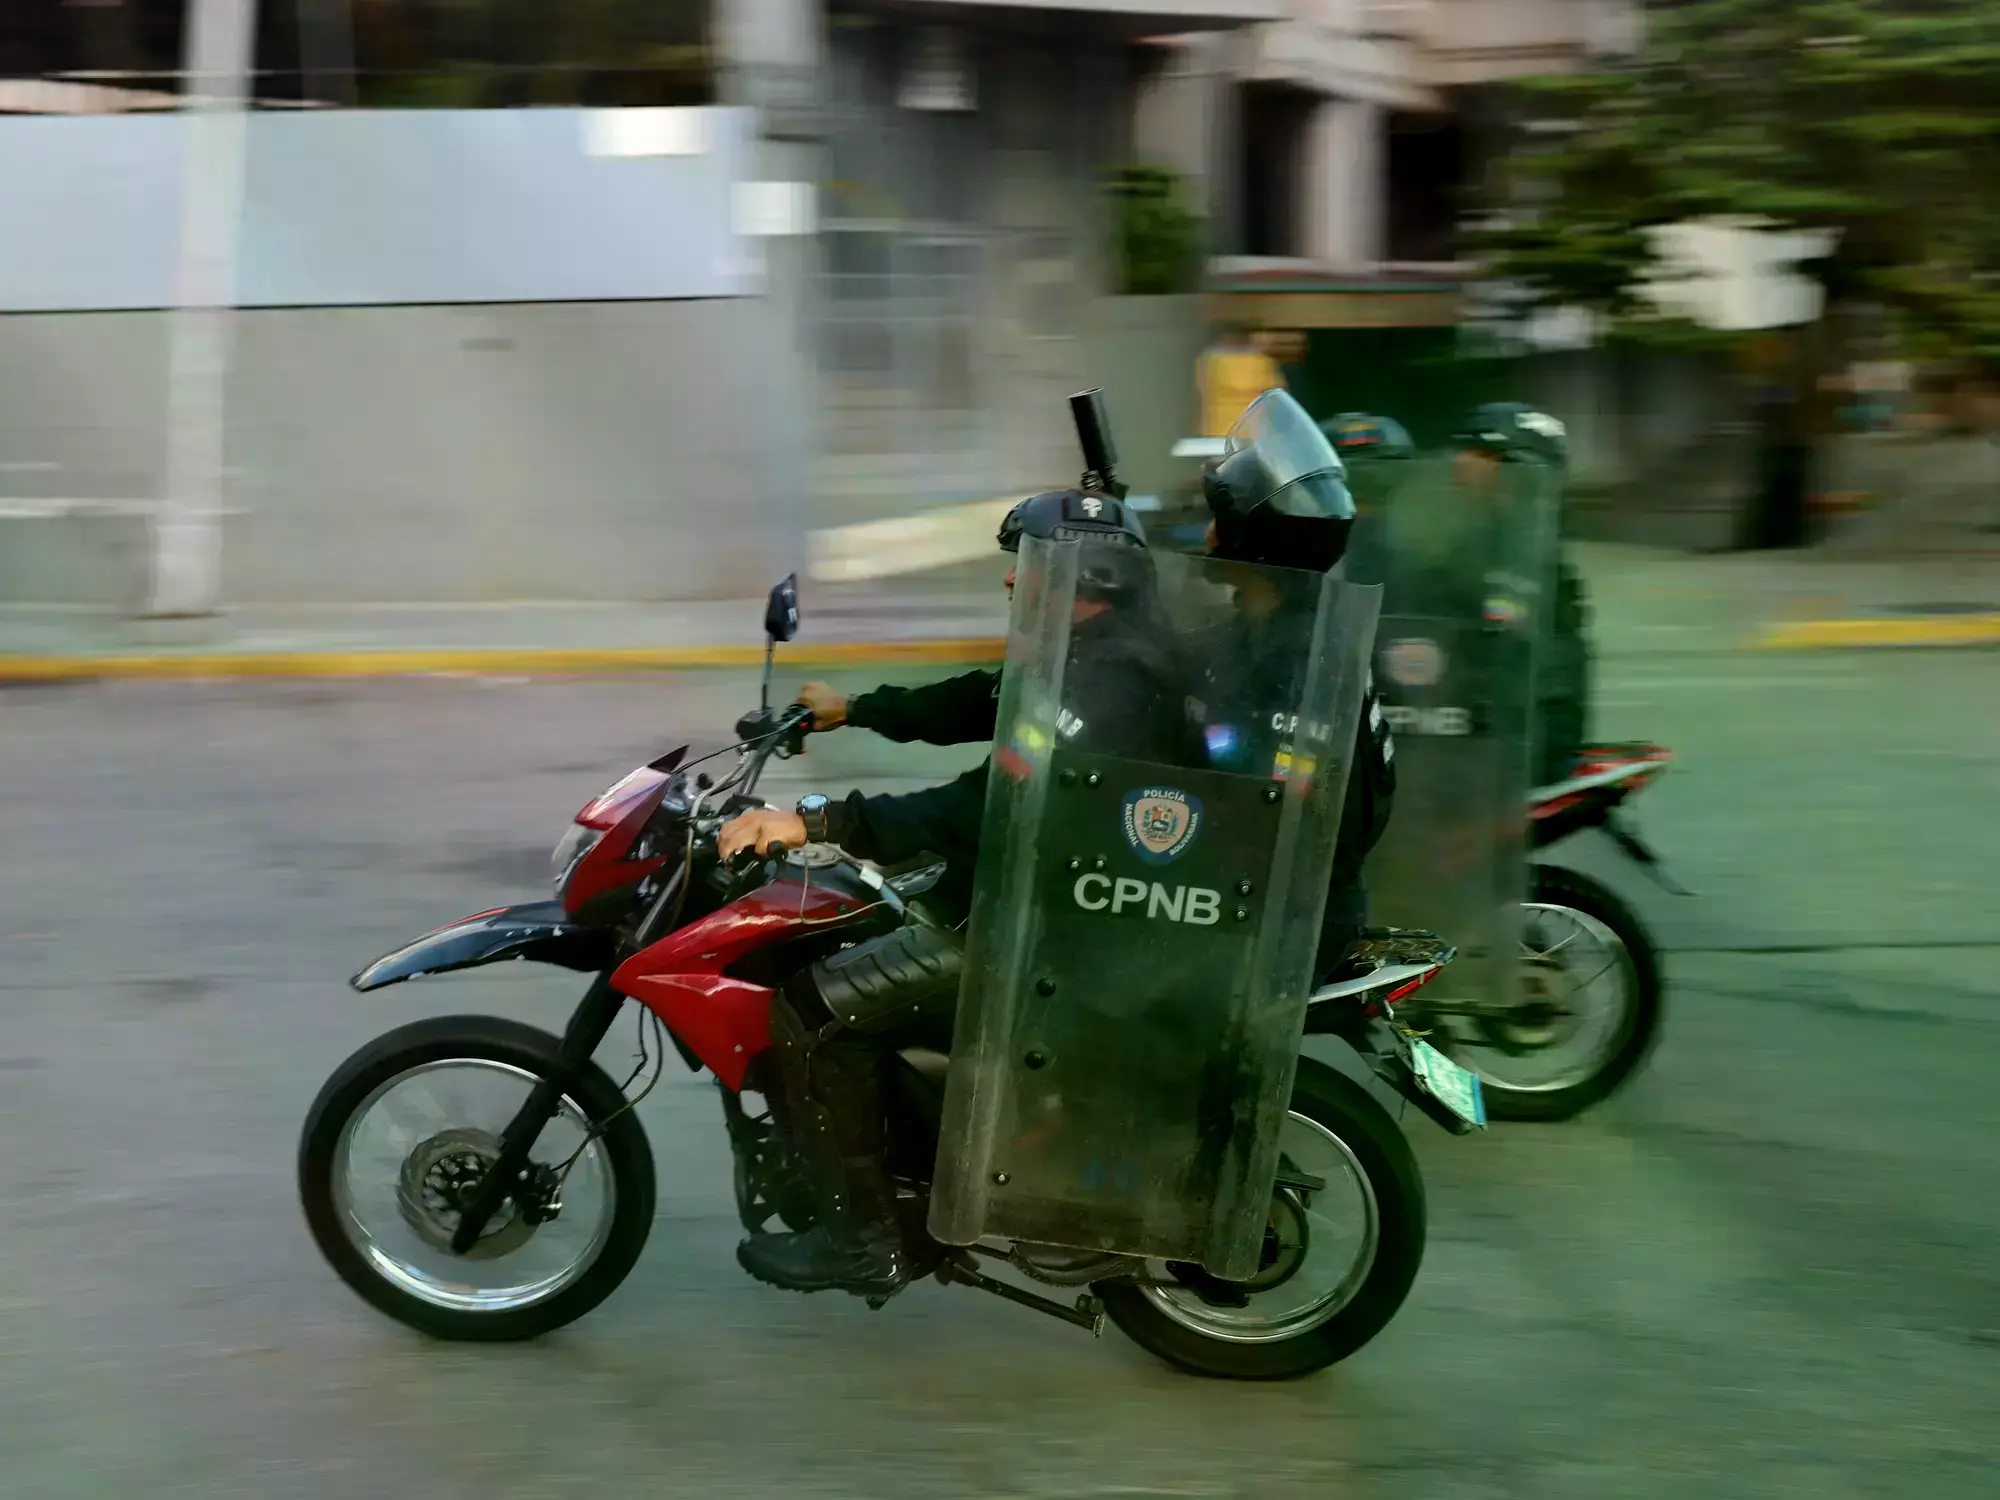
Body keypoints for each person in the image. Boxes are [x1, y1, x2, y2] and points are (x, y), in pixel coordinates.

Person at [714, 488, 1202, 1297]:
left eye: (1030, 566)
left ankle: (864, 1241)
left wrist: (816, 818)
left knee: (813, 1012)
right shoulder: (1091, 652)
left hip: (1047, 929)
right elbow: (983, 698)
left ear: (1090, 573)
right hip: (1044, 896)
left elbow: (982, 806)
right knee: (857, 922)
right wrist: (856, 711)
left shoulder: (1112, 683)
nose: (1013, 584)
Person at [1198, 391, 1398, 979]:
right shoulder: (1264, 625)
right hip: (1256, 885)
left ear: (1253, 543)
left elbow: (1258, 774)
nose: (1208, 537)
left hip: (1286, 912)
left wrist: (1198, 732)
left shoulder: (1301, 657)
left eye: (1220, 524)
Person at [1448, 403, 1592, 786]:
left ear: (1522, 471)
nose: (1462, 461)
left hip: (1519, 743)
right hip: (1462, 728)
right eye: (1465, 449)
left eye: (1483, 453)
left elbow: (1525, 658)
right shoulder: (1474, 536)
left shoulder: (1528, 554)